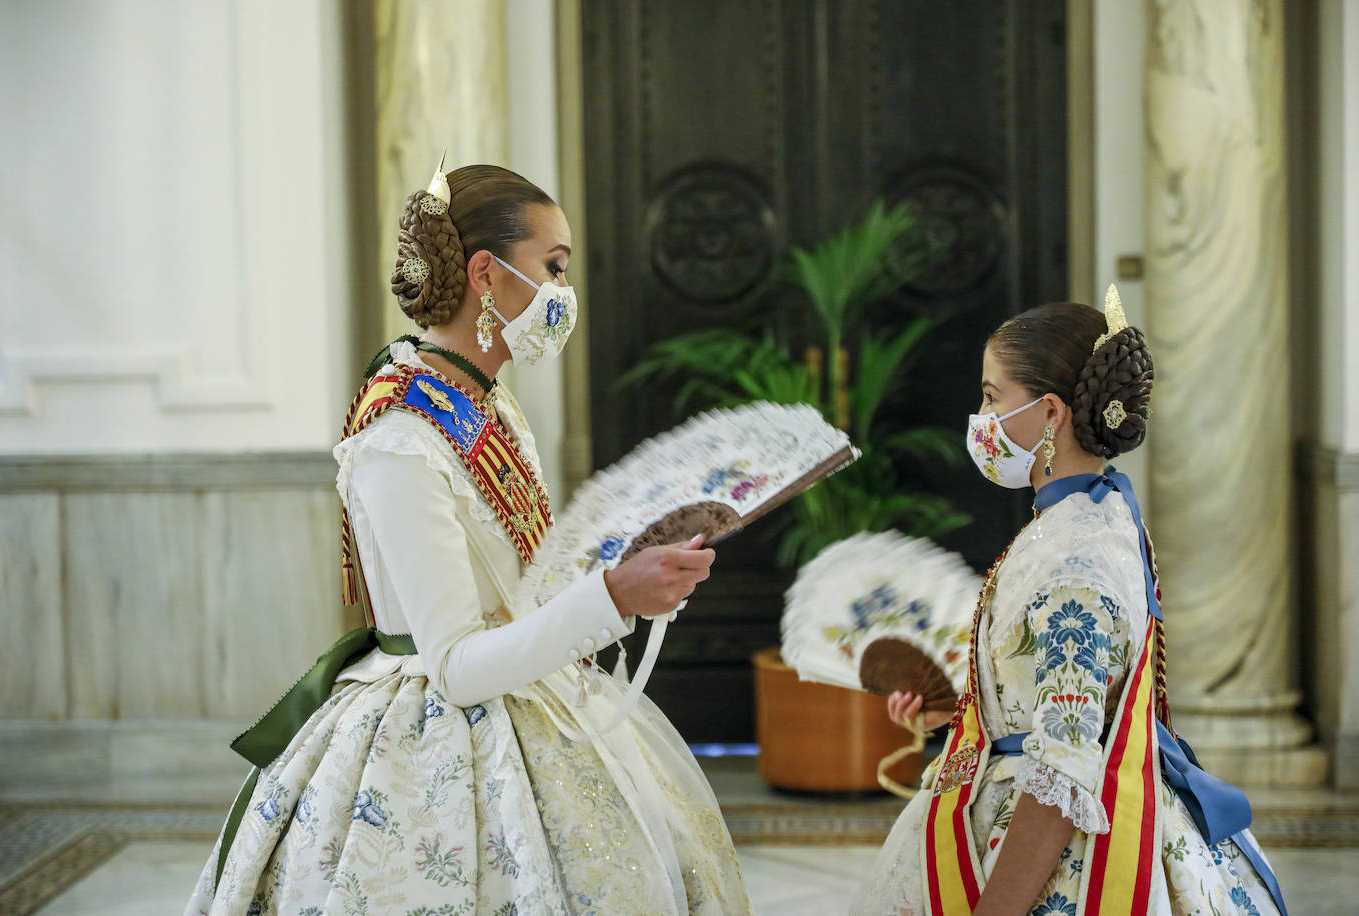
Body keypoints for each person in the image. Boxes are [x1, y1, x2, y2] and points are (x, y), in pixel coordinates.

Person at [186, 160, 752, 915]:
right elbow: (452, 666)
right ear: (486, 273)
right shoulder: (401, 435)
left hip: (538, 695)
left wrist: (628, 565)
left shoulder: (488, 401)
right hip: (436, 733)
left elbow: (525, 582)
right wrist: (613, 596)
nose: (562, 296)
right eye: (553, 269)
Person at [852, 295, 1287, 915]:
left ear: (1050, 412)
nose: (981, 419)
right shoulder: (1090, 515)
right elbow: (1067, 693)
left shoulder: (1073, 560)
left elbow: (1063, 766)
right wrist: (966, 713)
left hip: (1052, 858)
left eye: (992, 397)